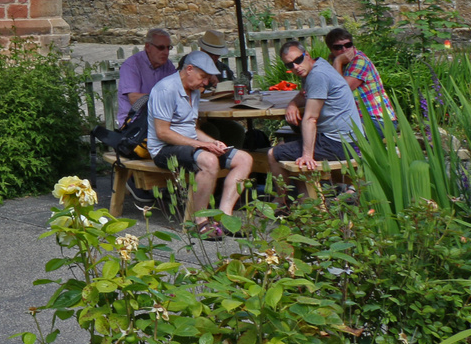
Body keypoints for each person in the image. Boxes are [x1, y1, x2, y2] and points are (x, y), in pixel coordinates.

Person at [146, 51, 254, 239]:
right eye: (203, 77)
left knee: (244, 159)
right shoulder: (165, 89)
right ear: (189, 69)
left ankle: (225, 218)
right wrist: (200, 146)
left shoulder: (194, 90)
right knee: (209, 161)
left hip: (189, 144)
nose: (205, 83)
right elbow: (162, 132)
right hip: (163, 149)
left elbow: (192, 128)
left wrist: (212, 142)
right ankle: (200, 221)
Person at [268, 40, 363, 204]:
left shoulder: (317, 75)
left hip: (340, 144)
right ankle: (306, 201)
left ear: (307, 55)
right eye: (290, 65)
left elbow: (311, 118)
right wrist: (292, 104)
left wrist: (307, 155)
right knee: (290, 144)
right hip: (350, 139)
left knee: (273, 154)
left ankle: (281, 202)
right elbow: (304, 93)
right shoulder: (317, 67)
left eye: (298, 60)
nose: (296, 67)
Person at [324, 27, 396, 132]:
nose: (344, 50)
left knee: (336, 133)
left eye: (348, 45)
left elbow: (340, 91)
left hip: (378, 120)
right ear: (331, 50)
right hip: (357, 118)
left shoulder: (359, 61)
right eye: (338, 47)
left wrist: (338, 61)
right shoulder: (339, 62)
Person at [117, 28, 177, 124]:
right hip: (135, 124)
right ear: (148, 47)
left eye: (168, 48)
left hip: (161, 120)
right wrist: (165, 97)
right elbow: (134, 100)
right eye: (161, 48)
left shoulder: (167, 65)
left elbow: (178, 89)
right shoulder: (132, 65)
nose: (166, 52)